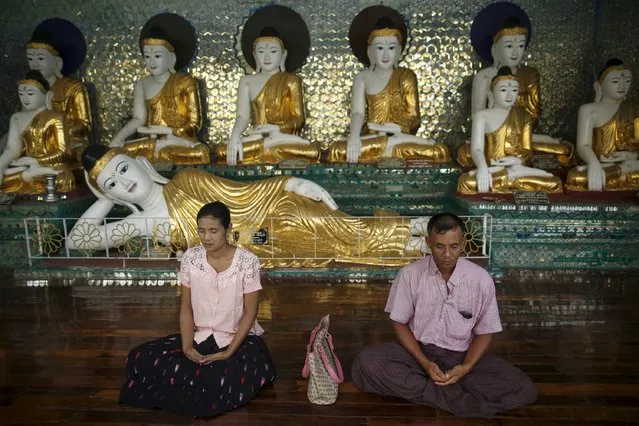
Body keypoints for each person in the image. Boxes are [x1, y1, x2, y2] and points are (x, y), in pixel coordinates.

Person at [67, 144, 428, 268]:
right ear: (115, 195)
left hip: (271, 209)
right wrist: (102, 200)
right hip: (261, 245)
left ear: (143, 165)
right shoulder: (146, 223)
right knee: (325, 243)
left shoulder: (188, 179)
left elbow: (244, 192)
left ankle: (423, 228)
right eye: (113, 184)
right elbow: (78, 241)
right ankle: (416, 242)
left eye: (125, 169)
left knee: (322, 220)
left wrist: (292, 182)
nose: (124, 182)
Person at [352, 213, 537, 417]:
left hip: (460, 357)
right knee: (367, 361)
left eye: (454, 246)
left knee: (522, 387)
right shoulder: (410, 274)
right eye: (440, 246)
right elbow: (400, 323)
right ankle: (459, 400)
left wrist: (465, 367)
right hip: (418, 355)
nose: (447, 254)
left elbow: (485, 332)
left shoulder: (481, 280)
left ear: (463, 243)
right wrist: (425, 363)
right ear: (428, 242)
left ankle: (435, 392)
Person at [119, 201, 276, 416]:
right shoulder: (191, 258)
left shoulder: (247, 262)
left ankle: (196, 390)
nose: (206, 237)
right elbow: (185, 309)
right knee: (138, 357)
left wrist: (228, 353)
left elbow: (250, 313)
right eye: (201, 231)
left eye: (213, 231)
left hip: (238, 339)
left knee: (218, 379)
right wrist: (186, 347)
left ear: (228, 229)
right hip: (200, 336)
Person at [327, 6, 450, 164]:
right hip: (372, 138)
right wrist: (354, 137)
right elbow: (357, 113)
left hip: (401, 137)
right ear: (370, 52)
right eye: (379, 48)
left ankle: (392, 145)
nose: (386, 54)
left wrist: (397, 128)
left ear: (399, 51)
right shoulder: (362, 77)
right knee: (337, 151)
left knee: (439, 152)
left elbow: (413, 117)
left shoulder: (406, 76)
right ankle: (391, 147)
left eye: (391, 48)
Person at [457, 3, 573, 168]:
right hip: (490, 140)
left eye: (520, 46)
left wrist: (525, 134)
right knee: (466, 152)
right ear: (495, 48)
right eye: (509, 46)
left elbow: (533, 115)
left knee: (563, 150)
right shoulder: (485, 77)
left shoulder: (530, 74)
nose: (515, 52)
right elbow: (478, 118)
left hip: (522, 138)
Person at [217, 5, 320, 165]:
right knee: (222, 152)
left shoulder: (291, 80)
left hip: (282, 138)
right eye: (261, 51)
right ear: (254, 55)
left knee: (311, 152)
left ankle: (271, 143)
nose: (266, 57)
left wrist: (275, 129)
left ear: (283, 55)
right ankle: (267, 145)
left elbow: (298, 119)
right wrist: (235, 136)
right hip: (256, 137)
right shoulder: (247, 81)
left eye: (273, 51)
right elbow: (242, 116)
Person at [109, 13, 210, 165]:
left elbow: (194, 124)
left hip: (179, 141)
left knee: (199, 153)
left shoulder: (184, 81)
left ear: (172, 58)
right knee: (116, 154)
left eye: (157, 56)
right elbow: (138, 119)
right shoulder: (142, 84)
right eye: (147, 56)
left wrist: (167, 131)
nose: (151, 62)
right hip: (152, 142)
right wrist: (117, 140)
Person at [457, 67, 563, 194]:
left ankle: (511, 177)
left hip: (516, 167)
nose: (509, 95)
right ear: (491, 93)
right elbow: (477, 148)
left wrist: (517, 160)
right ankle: (512, 178)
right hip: (492, 168)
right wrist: (482, 168)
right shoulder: (482, 116)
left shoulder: (524, 115)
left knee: (554, 183)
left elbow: (527, 150)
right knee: (466, 183)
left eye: (514, 90)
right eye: (503, 90)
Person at [566, 59, 639, 191]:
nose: (622, 86)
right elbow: (583, 146)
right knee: (576, 178)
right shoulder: (589, 110)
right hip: (603, 164)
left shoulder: (635, 109)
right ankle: (625, 169)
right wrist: (593, 163)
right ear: (599, 86)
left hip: (630, 163)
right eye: (615, 81)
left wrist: (630, 156)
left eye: (627, 81)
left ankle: (626, 168)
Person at [0, 70, 74, 195]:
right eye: (21, 94)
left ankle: (30, 173)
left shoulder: (55, 117)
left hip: (53, 167)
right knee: (5, 178)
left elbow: (64, 153)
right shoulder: (17, 118)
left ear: (47, 95)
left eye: (30, 93)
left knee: (57, 179)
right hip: (26, 166)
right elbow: (12, 149)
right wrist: (1, 166)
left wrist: (36, 161)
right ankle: (27, 173)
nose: (25, 98)